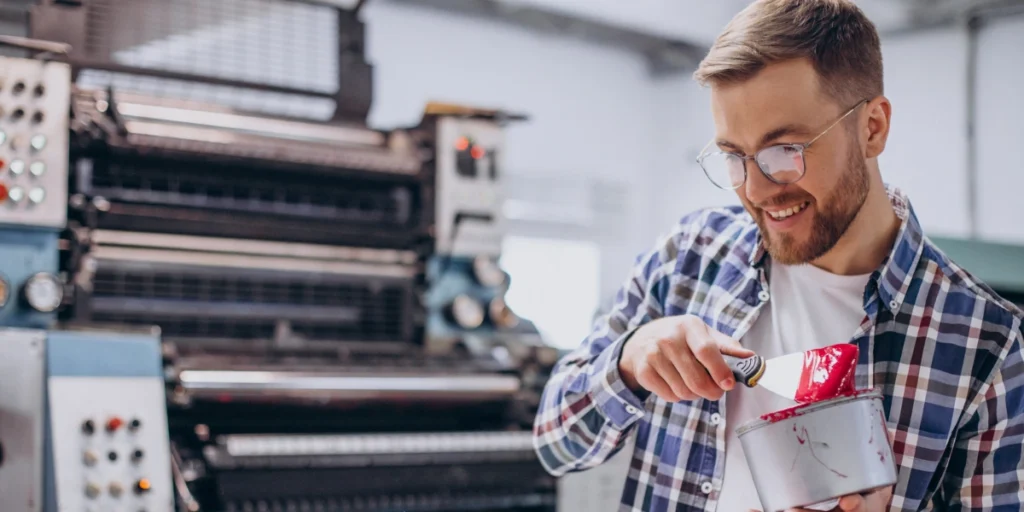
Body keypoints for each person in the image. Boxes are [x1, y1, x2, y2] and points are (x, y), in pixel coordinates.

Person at [531, 0, 1024, 511]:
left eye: (785, 149)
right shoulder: (689, 257)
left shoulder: (987, 346)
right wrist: (629, 361)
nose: (757, 189)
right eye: (733, 157)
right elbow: (554, 445)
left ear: (872, 127)